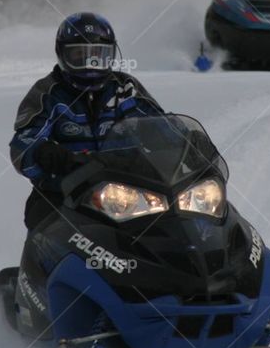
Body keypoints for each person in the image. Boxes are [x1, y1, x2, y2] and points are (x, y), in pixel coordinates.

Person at [9, 12, 165, 230]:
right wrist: (47, 154)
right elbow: (22, 144)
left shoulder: (125, 89)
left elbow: (159, 125)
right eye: (79, 55)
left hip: (128, 193)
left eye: (98, 55)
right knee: (45, 227)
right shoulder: (48, 93)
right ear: (62, 54)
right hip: (65, 192)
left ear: (111, 55)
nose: (90, 64)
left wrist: (185, 142)